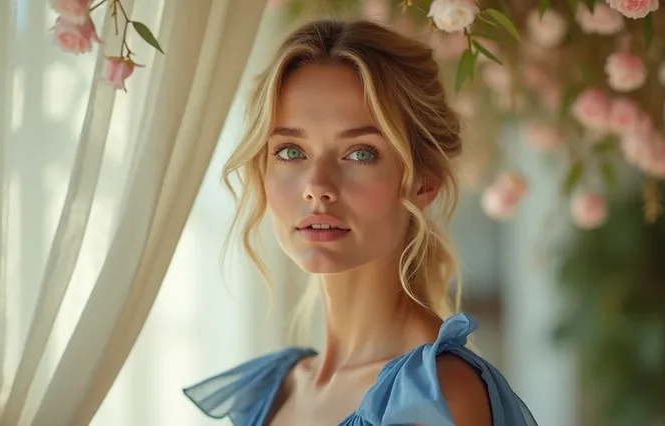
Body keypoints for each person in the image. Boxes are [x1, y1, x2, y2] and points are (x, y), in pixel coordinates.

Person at [183, 17, 538, 426]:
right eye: (290, 151)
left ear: (424, 183)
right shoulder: (274, 389)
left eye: (360, 153)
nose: (317, 187)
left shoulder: (436, 395)